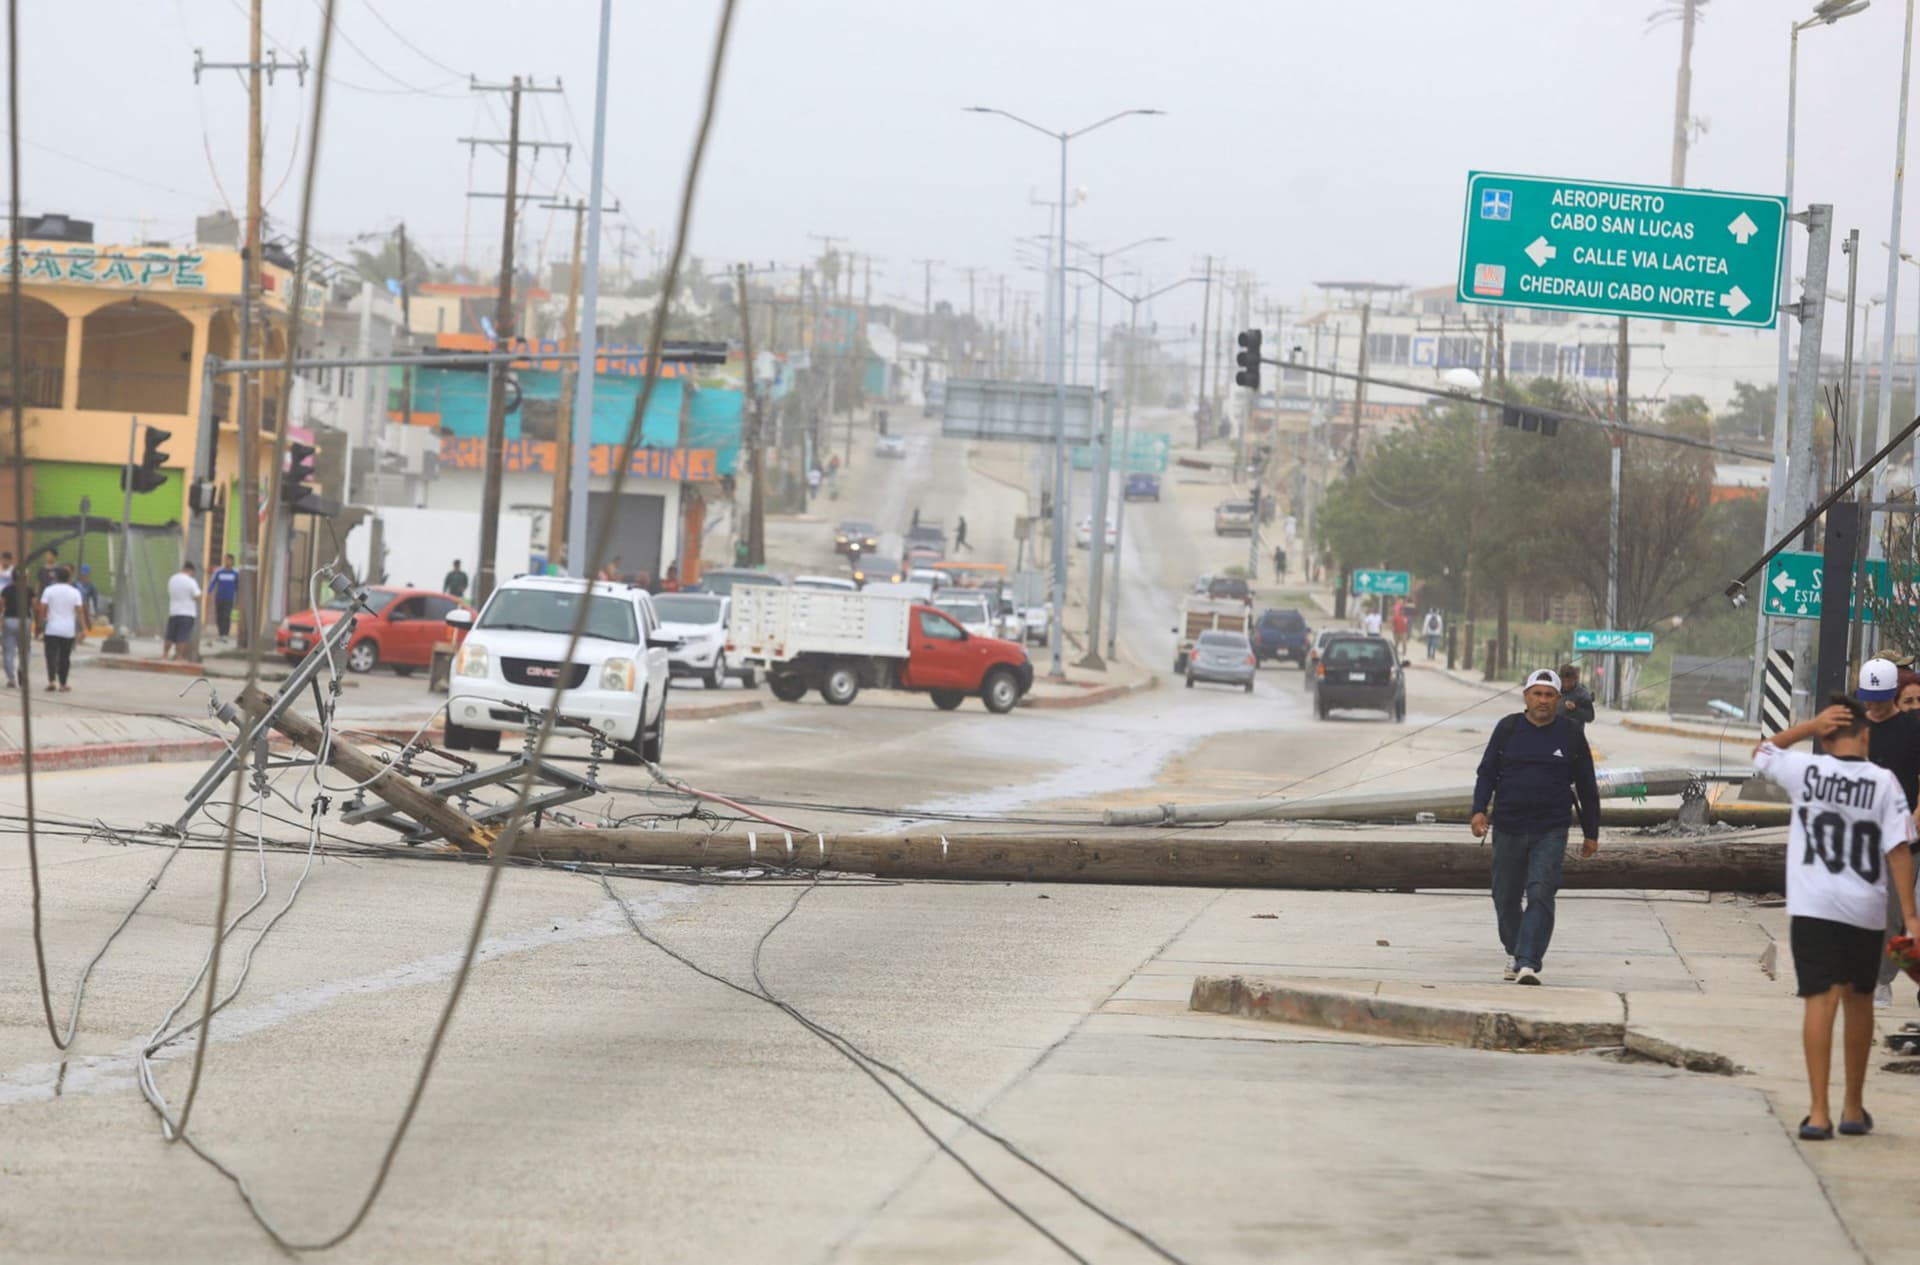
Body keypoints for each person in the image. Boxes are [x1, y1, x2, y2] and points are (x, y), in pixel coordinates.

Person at [1756, 695, 1920, 1139]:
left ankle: (1818, 1112)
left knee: (1820, 1000)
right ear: (1865, 734)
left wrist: (1810, 726)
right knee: (1859, 999)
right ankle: (1852, 1107)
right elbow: (1900, 850)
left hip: (1814, 906)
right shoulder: (1884, 783)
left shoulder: (1807, 772)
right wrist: (1910, 917)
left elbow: (1763, 751)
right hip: (1865, 908)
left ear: (1828, 738)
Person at [1470, 668, 1601, 986]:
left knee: (1541, 891)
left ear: (1559, 699)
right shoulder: (1508, 729)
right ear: (1526, 696)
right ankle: (1515, 951)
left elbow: (1586, 784)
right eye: (1537, 694)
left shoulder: (1570, 734)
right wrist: (1478, 811)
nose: (1543, 701)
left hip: (1551, 828)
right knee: (1505, 895)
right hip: (1508, 825)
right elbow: (1487, 772)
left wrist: (1591, 832)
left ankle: (1528, 961)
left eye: (1549, 695)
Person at [1844, 658, 1920, 1007]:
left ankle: (1881, 980)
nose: (1872, 704)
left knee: (1891, 912)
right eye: (1867, 697)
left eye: (1879, 697)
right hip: (1858, 832)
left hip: (1900, 836)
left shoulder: (1912, 730)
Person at [37, 565, 86, 692]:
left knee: (51, 656)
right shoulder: (75, 592)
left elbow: (42, 608)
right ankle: (63, 683)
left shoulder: (49, 590)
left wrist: (42, 622)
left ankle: (52, 681)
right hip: (68, 630)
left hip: (52, 629)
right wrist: (83, 629)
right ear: (69, 578)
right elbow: (80, 611)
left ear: (56, 577)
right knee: (65, 657)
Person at [163, 562, 201, 661]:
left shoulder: (172, 579)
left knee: (170, 636)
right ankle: (179, 657)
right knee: (182, 637)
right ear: (190, 570)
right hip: (187, 613)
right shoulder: (190, 581)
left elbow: (170, 592)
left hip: (174, 611)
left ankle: (165, 655)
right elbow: (197, 596)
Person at [0, 568, 29, 688]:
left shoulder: (6, 590)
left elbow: (1, 605)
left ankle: (11, 678)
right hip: (25, 621)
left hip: (9, 620)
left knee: (8, 650)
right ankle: (22, 668)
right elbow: (34, 605)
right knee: (25, 650)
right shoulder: (29, 590)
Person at [1558, 663, 1596, 731]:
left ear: (1575, 679)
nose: (1566, 684)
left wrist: (1575, 709)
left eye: (1569, 681)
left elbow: (1590, 717)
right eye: (1563, 681)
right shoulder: (1554, 691)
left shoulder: (1583, 694)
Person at [210, 554, 240, 639]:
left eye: (228, 560)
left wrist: (238, 599)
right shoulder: (219, 571)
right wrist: (209, 592)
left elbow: (238, 586)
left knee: (226, 616)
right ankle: (220, 633)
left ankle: (225, 634)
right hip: (219, 597)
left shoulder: (235, 573)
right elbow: (213, 582)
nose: (227, 561)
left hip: (229, 598)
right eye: (225, 559)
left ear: (232, 561)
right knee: (219, 615)